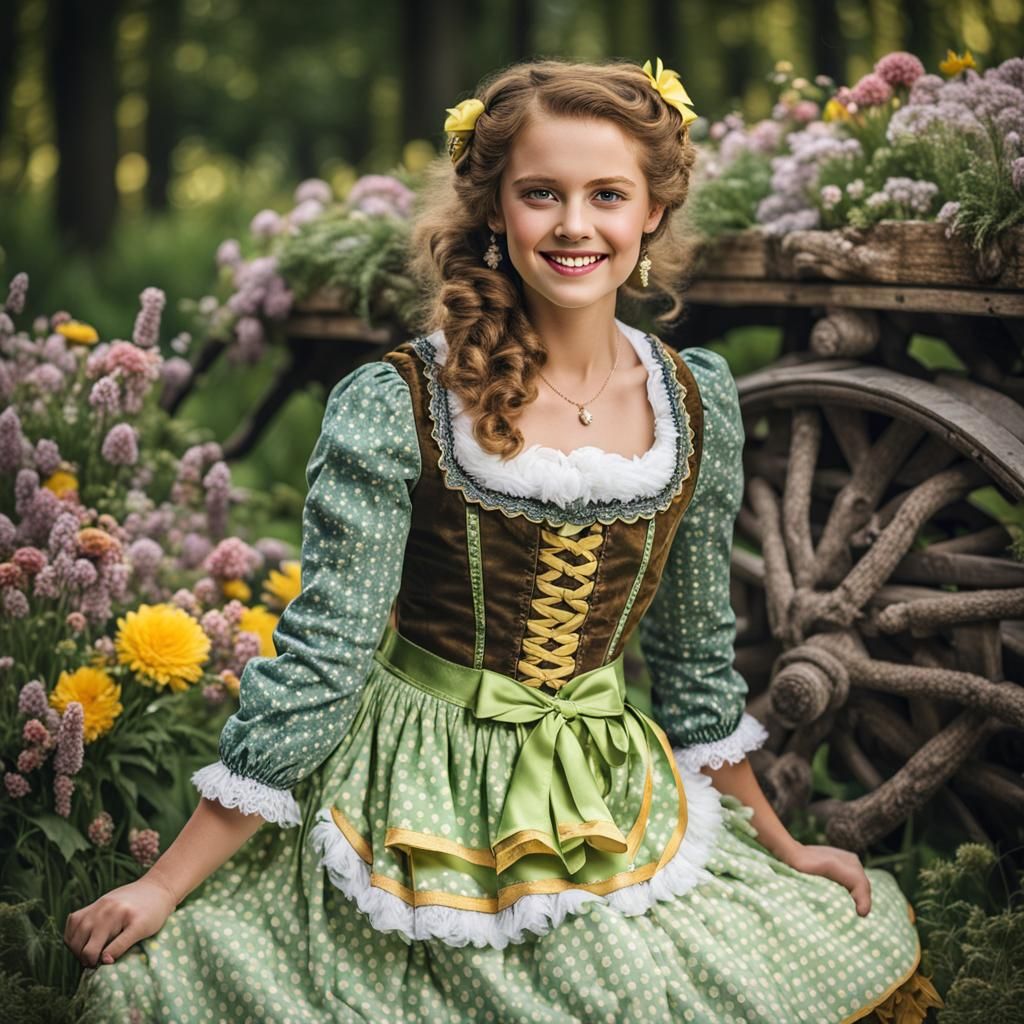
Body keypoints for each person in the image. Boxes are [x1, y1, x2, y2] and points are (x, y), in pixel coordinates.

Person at [68, 57, 943, 1023]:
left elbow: (694, 664)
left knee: (710, 971)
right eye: (541, 194)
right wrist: (163, 883)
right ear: (495, 210)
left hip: (607, 788)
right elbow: (323, 662)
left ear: (652, 211)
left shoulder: (694, 404)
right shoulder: (400, 403)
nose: (575, 224)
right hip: (412, 787)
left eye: (607, 194)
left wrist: (781, 845)